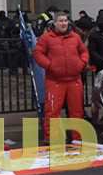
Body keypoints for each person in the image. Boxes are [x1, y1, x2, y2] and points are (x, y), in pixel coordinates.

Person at [33, 11, 88, 143]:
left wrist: (82, 63)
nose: (64, 23)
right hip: (55, 81)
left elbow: (84, 51)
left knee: (77, 111)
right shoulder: (46, 38)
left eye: (65, 21)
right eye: (61, 21)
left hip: (74, 80)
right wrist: (50, 65)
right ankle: (51, 137)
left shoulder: (75, 37)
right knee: (52, 111)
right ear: (55, 23)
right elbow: (38, 54)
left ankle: (78, 138)